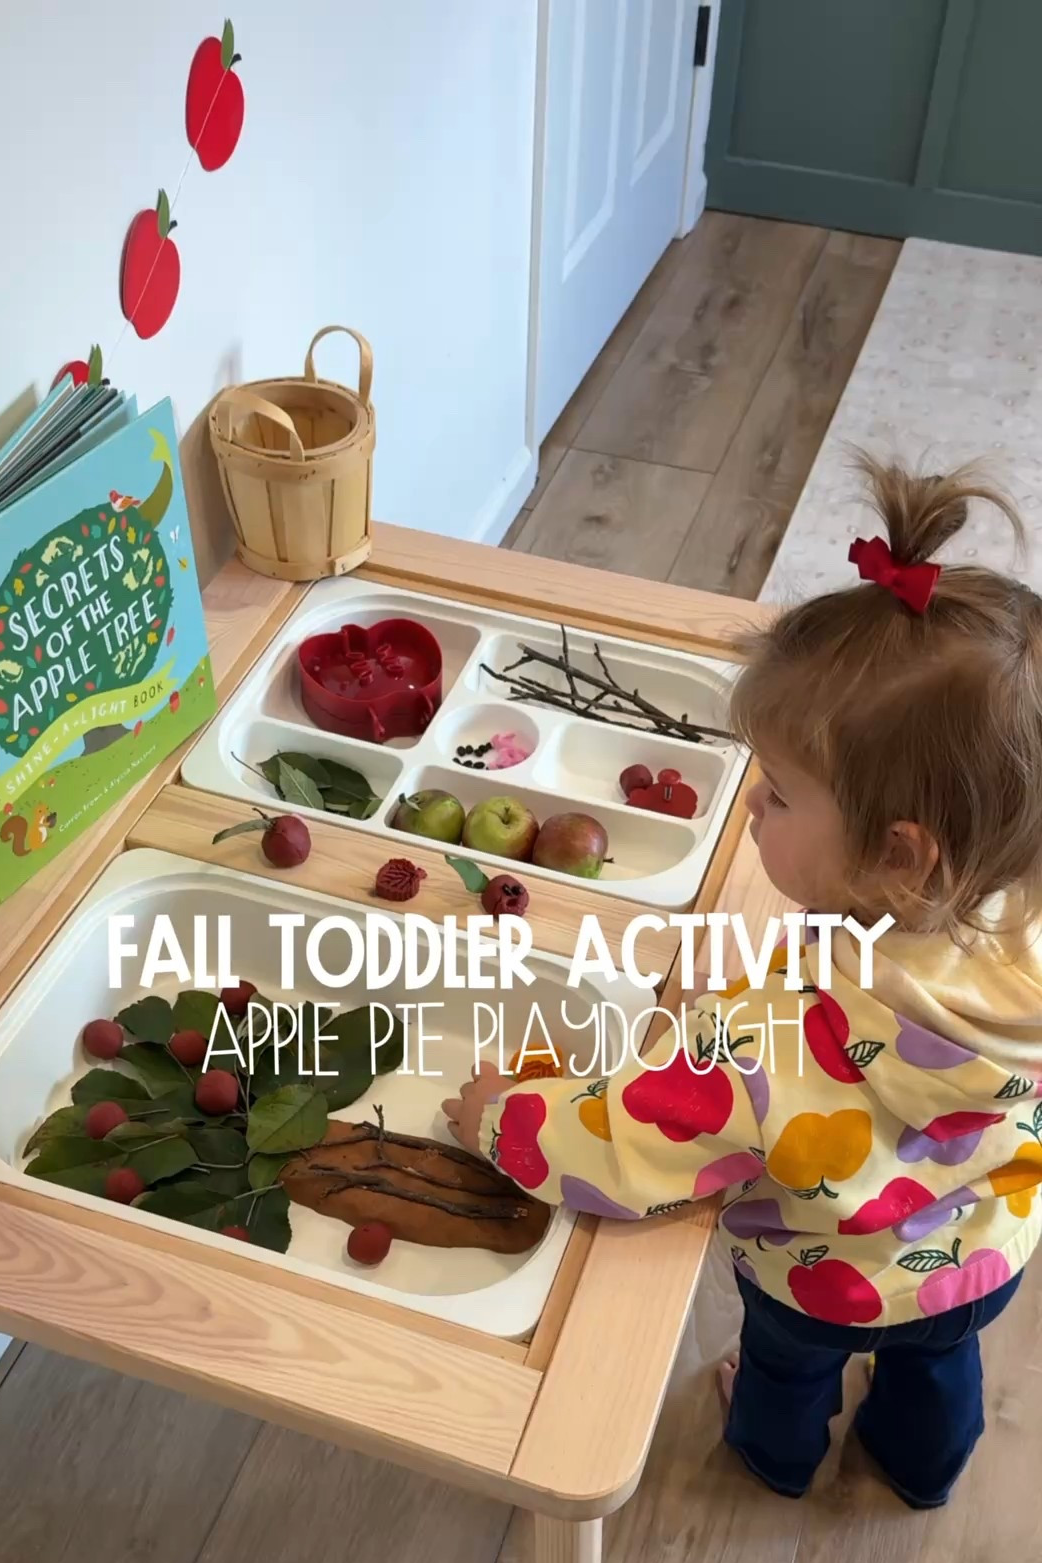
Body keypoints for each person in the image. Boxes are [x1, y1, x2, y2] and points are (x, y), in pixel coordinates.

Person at [443, 457, 1042, 1509]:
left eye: (777, 794)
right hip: (985, 1253)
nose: (752, 808)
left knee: (780, 1371)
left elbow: (624, 1149)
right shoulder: (1016, 914)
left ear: (901, 856)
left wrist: (500, 1119)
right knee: (940, 1364)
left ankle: (775, 1457)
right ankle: (921, 1466)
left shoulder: (768, 1043)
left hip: (821, 1285)